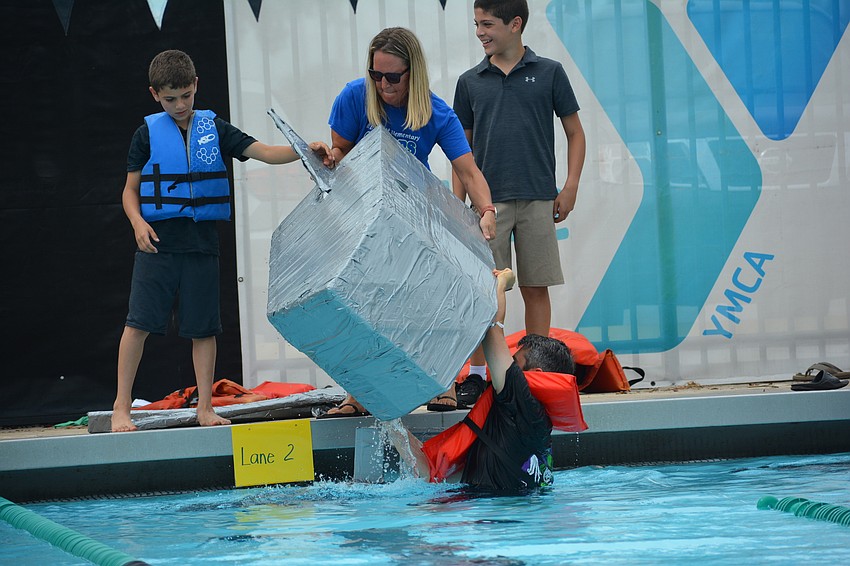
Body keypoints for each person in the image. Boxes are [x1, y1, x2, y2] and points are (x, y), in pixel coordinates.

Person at [111, 49, 333, 432]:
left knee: (204, 328)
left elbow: (262, 151)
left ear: (196, 86)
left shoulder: (214, 129)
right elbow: (130, 191)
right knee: (138, 325)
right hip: (158, 244)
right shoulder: (146, 134)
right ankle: (120, 408)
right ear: (154, 95)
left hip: (201, 246)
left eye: (185, 95)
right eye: (170, 99)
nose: (180, 105)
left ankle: (206, 408)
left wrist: (303, 150)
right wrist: (137, 223)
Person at [321, 26, 498, 417]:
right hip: (360, 220)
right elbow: (339, 152)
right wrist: (329, 156)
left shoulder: (436, 112)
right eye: (376, 75)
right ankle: (358, 393)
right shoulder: (354, 96)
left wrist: (486, 211)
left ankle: (444, 381)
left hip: (410, 219)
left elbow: (468, 171)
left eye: (393, 77)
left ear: (412, 72)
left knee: (433, 299)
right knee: (360, 307)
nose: (383, 84)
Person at [452, 0, 586, 406]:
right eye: (476, 24)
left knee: (535, 287)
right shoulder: (470, 81)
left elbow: (575, 133)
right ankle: (477, 374)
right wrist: (460, 207)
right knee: (483, 292)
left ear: (515, 24)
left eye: (487, 23)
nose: (480, 32)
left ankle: (538, 369)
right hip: (486, 206)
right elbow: (461, 152)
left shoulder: (550, 73)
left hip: (538, 200)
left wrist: (571, 187)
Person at [386, 268, 577, 492]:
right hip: (504, 512)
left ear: (537, 373)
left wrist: (502, 282)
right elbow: (431, 472)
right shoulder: (529, 421)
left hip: (497, 518)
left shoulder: (522, 401)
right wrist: (388, 418)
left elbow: (493, 329)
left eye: (515, 361)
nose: (508, 363)